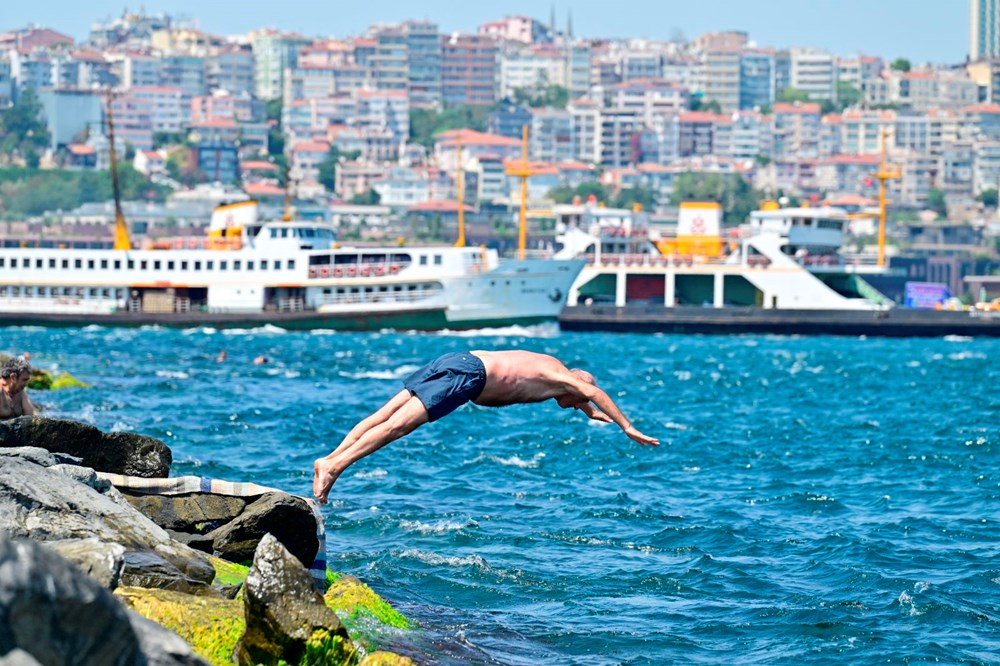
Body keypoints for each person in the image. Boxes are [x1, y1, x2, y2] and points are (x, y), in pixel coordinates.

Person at [313, 350, 658, 504]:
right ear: (574, 386)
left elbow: (584, 399)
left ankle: (329, 458)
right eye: (576, 400)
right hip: (469, 377)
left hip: (458, 360)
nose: (573, 406)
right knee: (397, 427)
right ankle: (335, 467)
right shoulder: (562, 379)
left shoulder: (554, 370)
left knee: (381, 415)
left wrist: (596, 415)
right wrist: (627, 426)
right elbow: (591, 391)